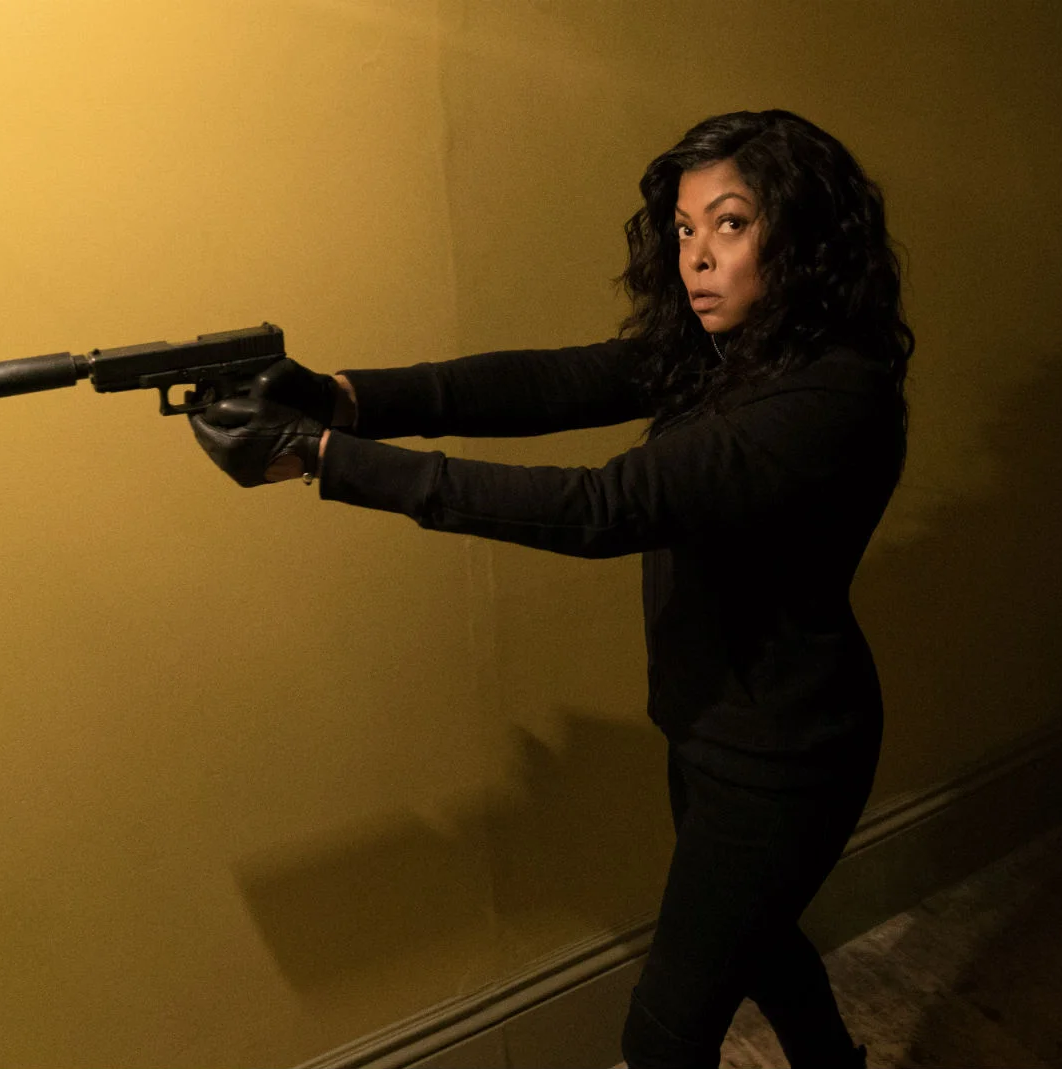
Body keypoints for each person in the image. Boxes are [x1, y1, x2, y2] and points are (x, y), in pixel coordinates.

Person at [189, 108, 913, 1069]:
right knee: (762, 943)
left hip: (784, 756)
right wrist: (341, 396)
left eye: (732, 224)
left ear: (805, 234)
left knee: (663, 1036)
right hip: (712, 721)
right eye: (685, 229)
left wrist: (324, 457)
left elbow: (603, 508)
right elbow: (551, 384)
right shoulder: (734, 350)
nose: (697, 257)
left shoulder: (830, 396)